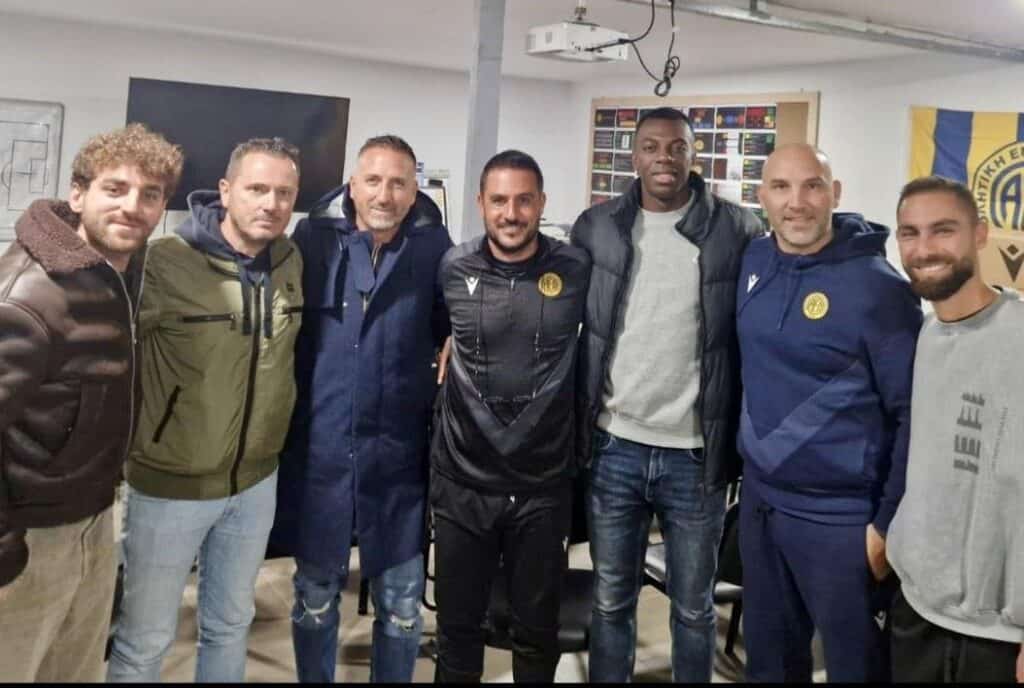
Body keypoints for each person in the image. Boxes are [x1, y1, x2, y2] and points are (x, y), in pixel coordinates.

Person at [570, 107, 762, 682]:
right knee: (611, 600)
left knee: (694, 609)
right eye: (652, 146)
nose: (664, 158)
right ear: (634, 156)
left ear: (693, 154)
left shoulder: (737, 228)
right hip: (613, 447)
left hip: (696, 456)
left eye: (677, 147)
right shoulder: (597, 226)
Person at [107, 138, 304, 682]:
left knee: (230, 624)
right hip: (169, 487)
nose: (271, 203)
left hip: (256, 483)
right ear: (225, 191)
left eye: (284, 193)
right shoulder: (163, 261)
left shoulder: (290, 260)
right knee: (145, 640)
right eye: (257, 189)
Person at [0, 124, 181, 682]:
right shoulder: (29, 295)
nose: (133, 206)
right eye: (115, 189)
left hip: (93, 521)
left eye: (150, 194)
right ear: (78, 194)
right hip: (29, 541)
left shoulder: (116, 277)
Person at [736, 143, 922, 681]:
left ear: (834, 193)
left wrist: (885, 524)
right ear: (762, 197)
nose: (797, 202)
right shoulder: (754, 261)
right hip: (761, 504)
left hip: (841, 518)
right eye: (781, 187)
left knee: (855, 669)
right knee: (769, 665)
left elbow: (913, 415)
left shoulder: (879, 289)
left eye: (812, 185)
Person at [268, 134, 451, 683]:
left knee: (401, 604)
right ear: (352, 185)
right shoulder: (312, 239)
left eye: (398, 183)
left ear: (414, 190)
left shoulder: (434, 248)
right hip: (321, 450)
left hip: (398, 458)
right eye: (373, 180)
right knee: (315, 595)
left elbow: (451, 323)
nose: (384, 195)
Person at [431, 149, 590, 682]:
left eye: (524, 200)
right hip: (462, 485)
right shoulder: (454, 266)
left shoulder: (576, 268)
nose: (511, 213)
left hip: (543, 487)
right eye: (499, 200)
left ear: (542, 203)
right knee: (456, 633)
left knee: (537, 636)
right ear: (480, 203)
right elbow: (434, 332)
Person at [887, 175, 1024, 683]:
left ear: (980, 234)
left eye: (943, 230)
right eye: (910, 233)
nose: (924, 249)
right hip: (917, 609)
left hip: (998, 634)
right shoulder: (925, 335)